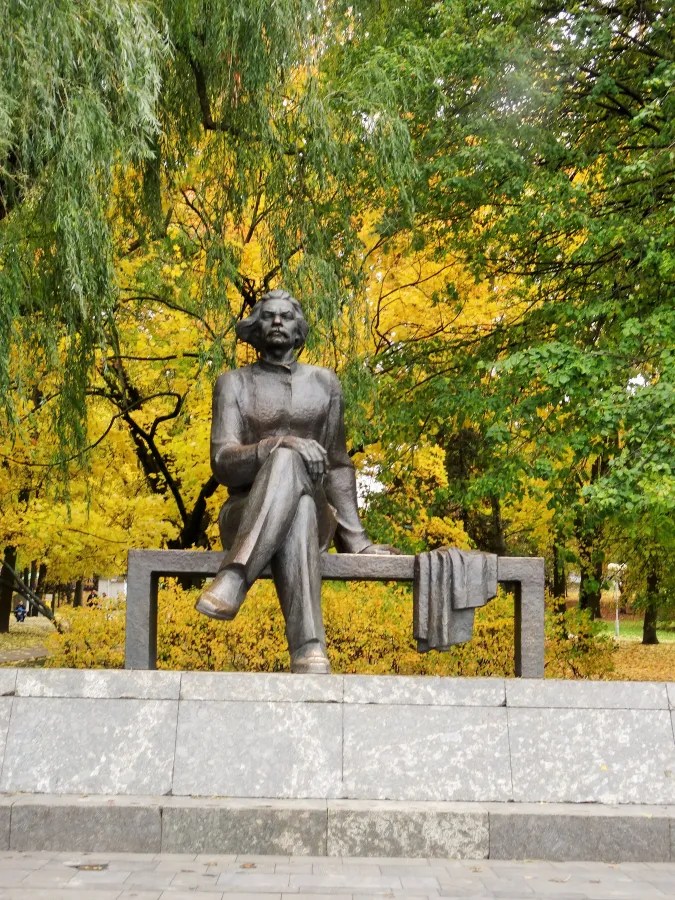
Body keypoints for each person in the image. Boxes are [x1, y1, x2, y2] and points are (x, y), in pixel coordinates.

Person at [195, 288, 395, 673]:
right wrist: (276, 445)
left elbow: (337, 464)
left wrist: (356, 541)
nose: (276, 323)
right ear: (254, 329)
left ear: (299, 329)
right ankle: (308, 648)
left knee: (304, 498)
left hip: (318, 514)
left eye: (285, 317)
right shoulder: (233, 384)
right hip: (244, 517)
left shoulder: (325, 384)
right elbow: (222, 462)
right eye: (268, 316)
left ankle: (234, 580)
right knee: (292, 482)